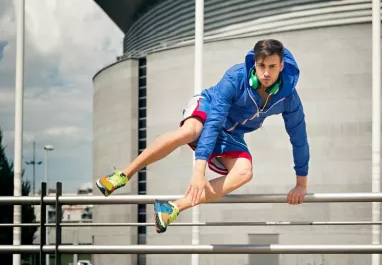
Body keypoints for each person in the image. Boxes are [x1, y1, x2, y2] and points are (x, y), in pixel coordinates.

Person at [95, 39, 310, 234]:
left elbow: (298, 138)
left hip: (231, 133)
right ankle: (124, 174)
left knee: (244, 172)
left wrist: (301, 185)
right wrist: (199, 171)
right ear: (255, 64)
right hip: (209, 108)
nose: (266, 73)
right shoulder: (236, 77)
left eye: (272, 67)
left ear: (281, 66)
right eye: (261, 66)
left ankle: (173, 207)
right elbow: (214, 121)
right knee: (191, 132)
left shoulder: (288, 98)